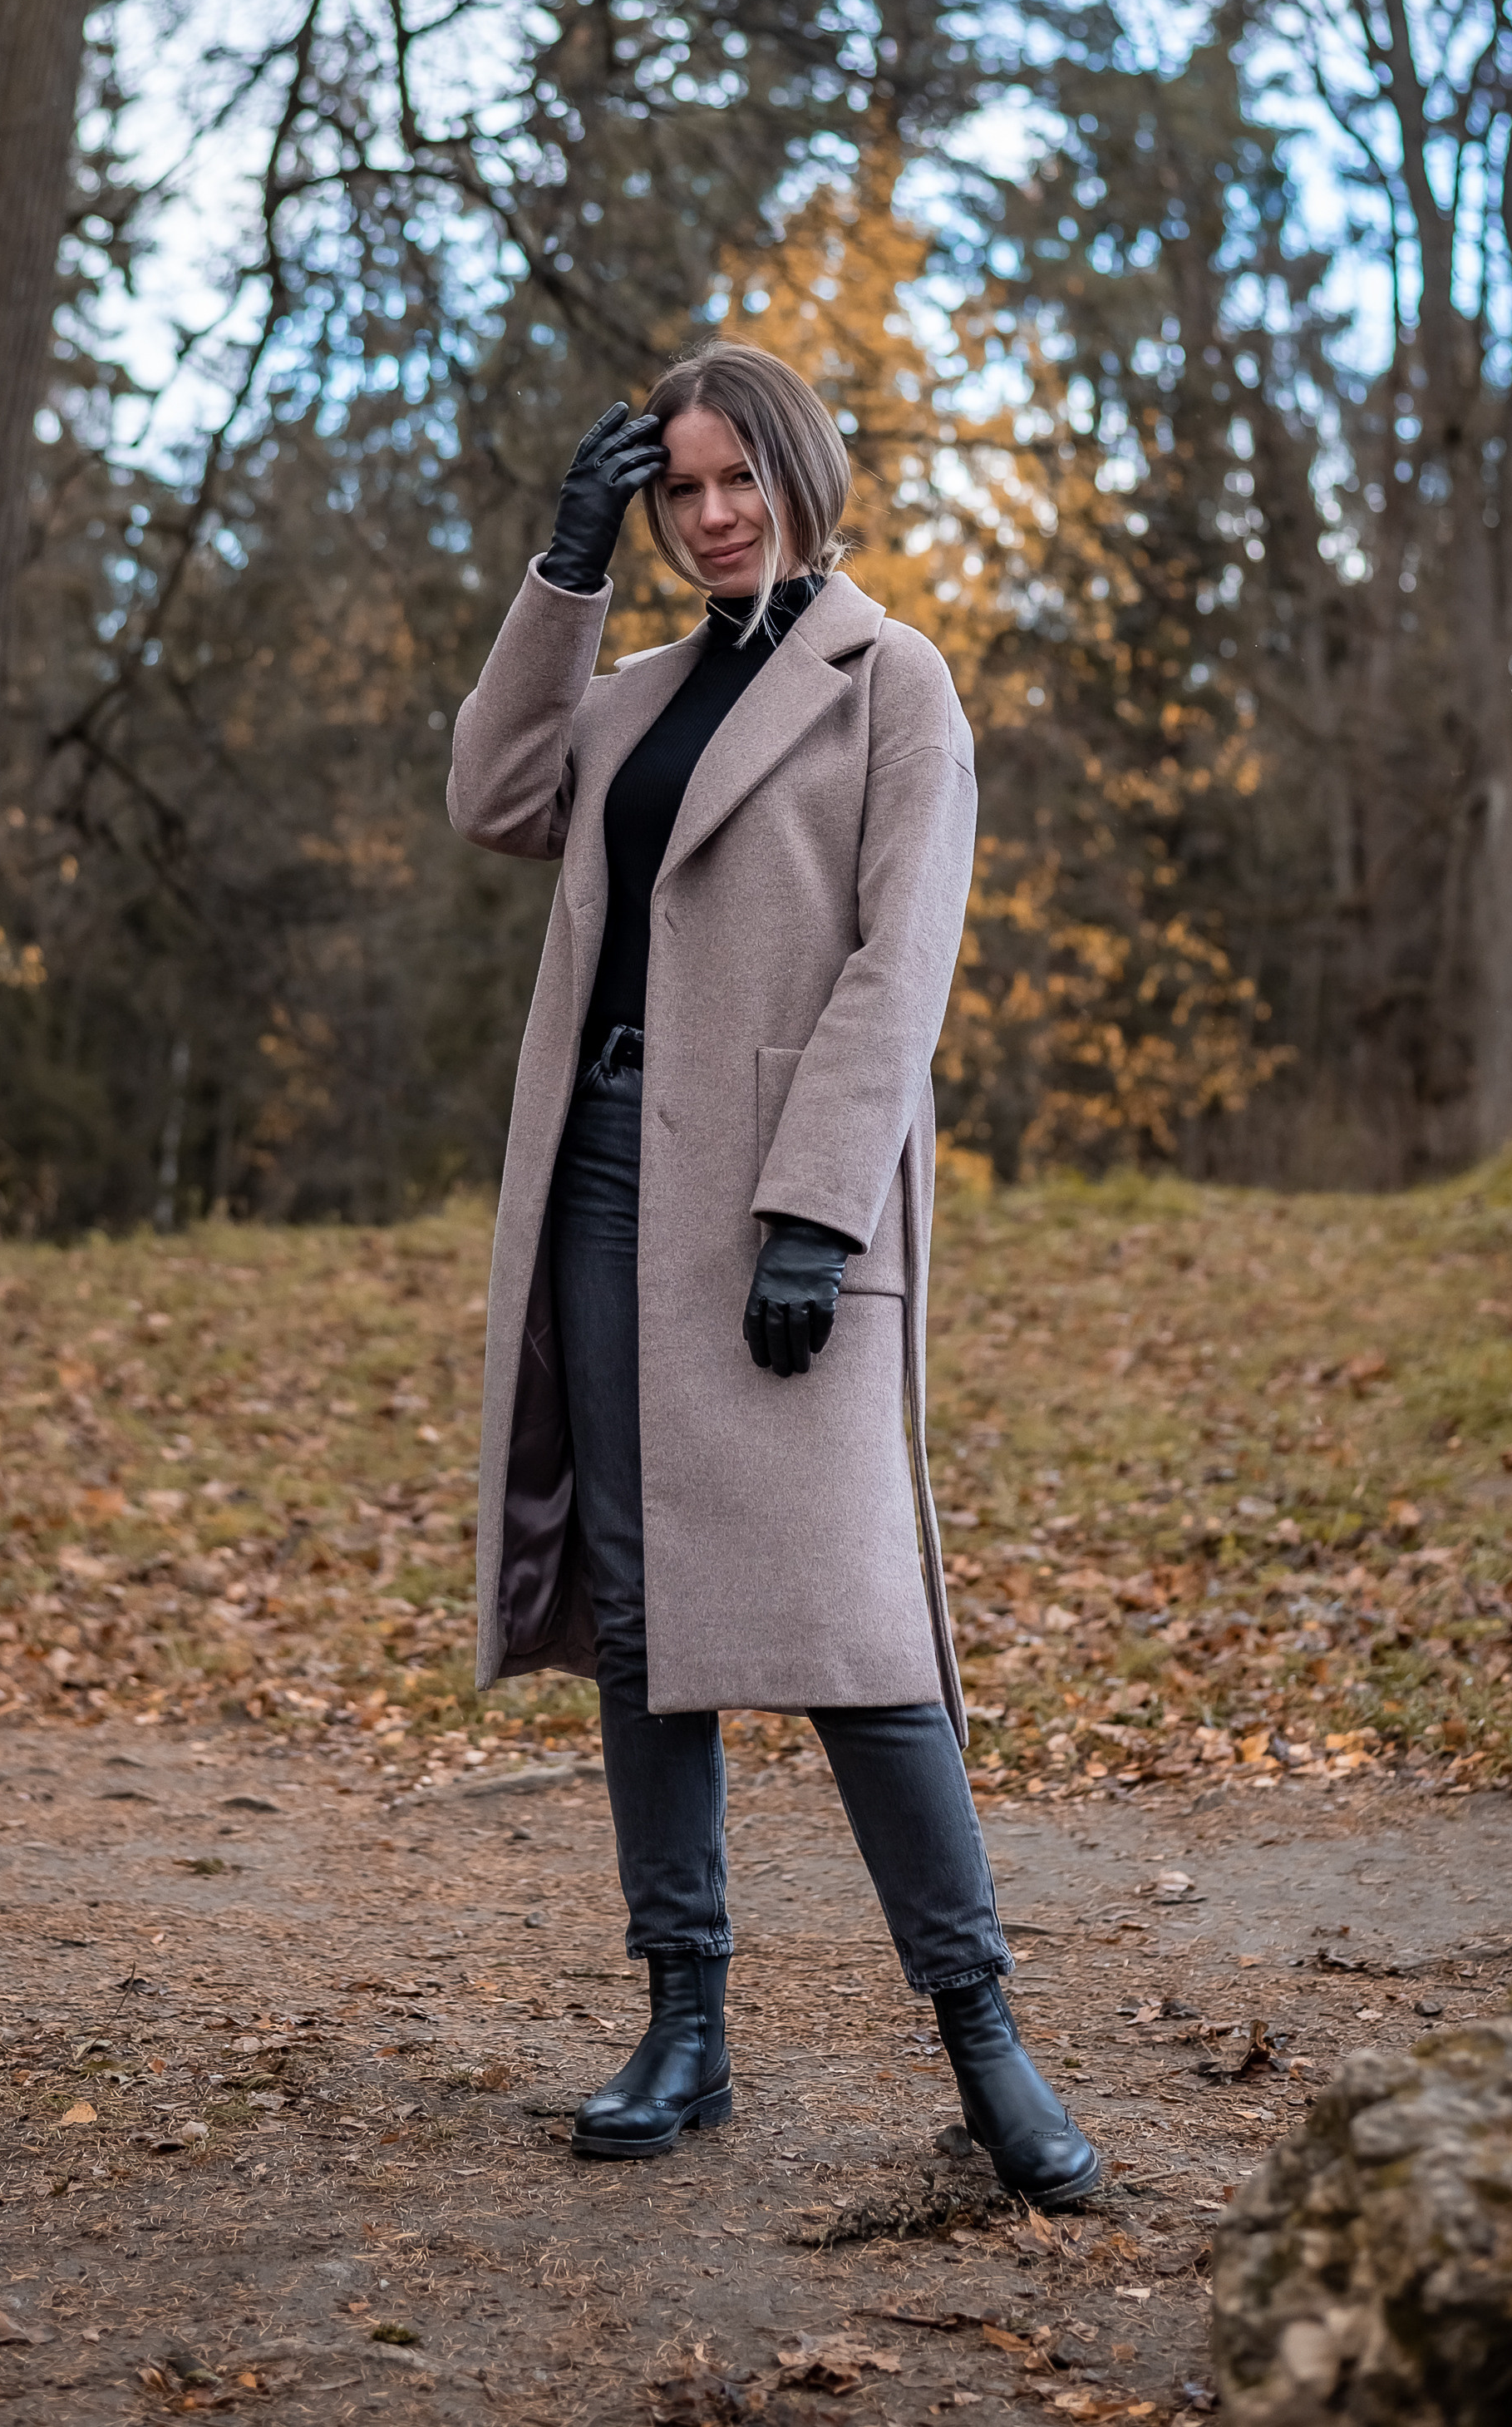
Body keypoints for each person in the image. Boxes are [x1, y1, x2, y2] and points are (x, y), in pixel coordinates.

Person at [446, 343, 1096, 2203]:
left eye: (740, 480)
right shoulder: (634, 684)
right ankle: (685, 2026)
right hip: (597, 1180)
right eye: (679, 491)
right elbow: (494, 800)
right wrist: (561, 578)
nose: (712, 516)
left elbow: (903, 962)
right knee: (647, 1639)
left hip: (776, 1204)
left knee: (854, 1640)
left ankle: (980, 2037)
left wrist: (818, 1209)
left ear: (802, 473)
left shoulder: (892, 679)